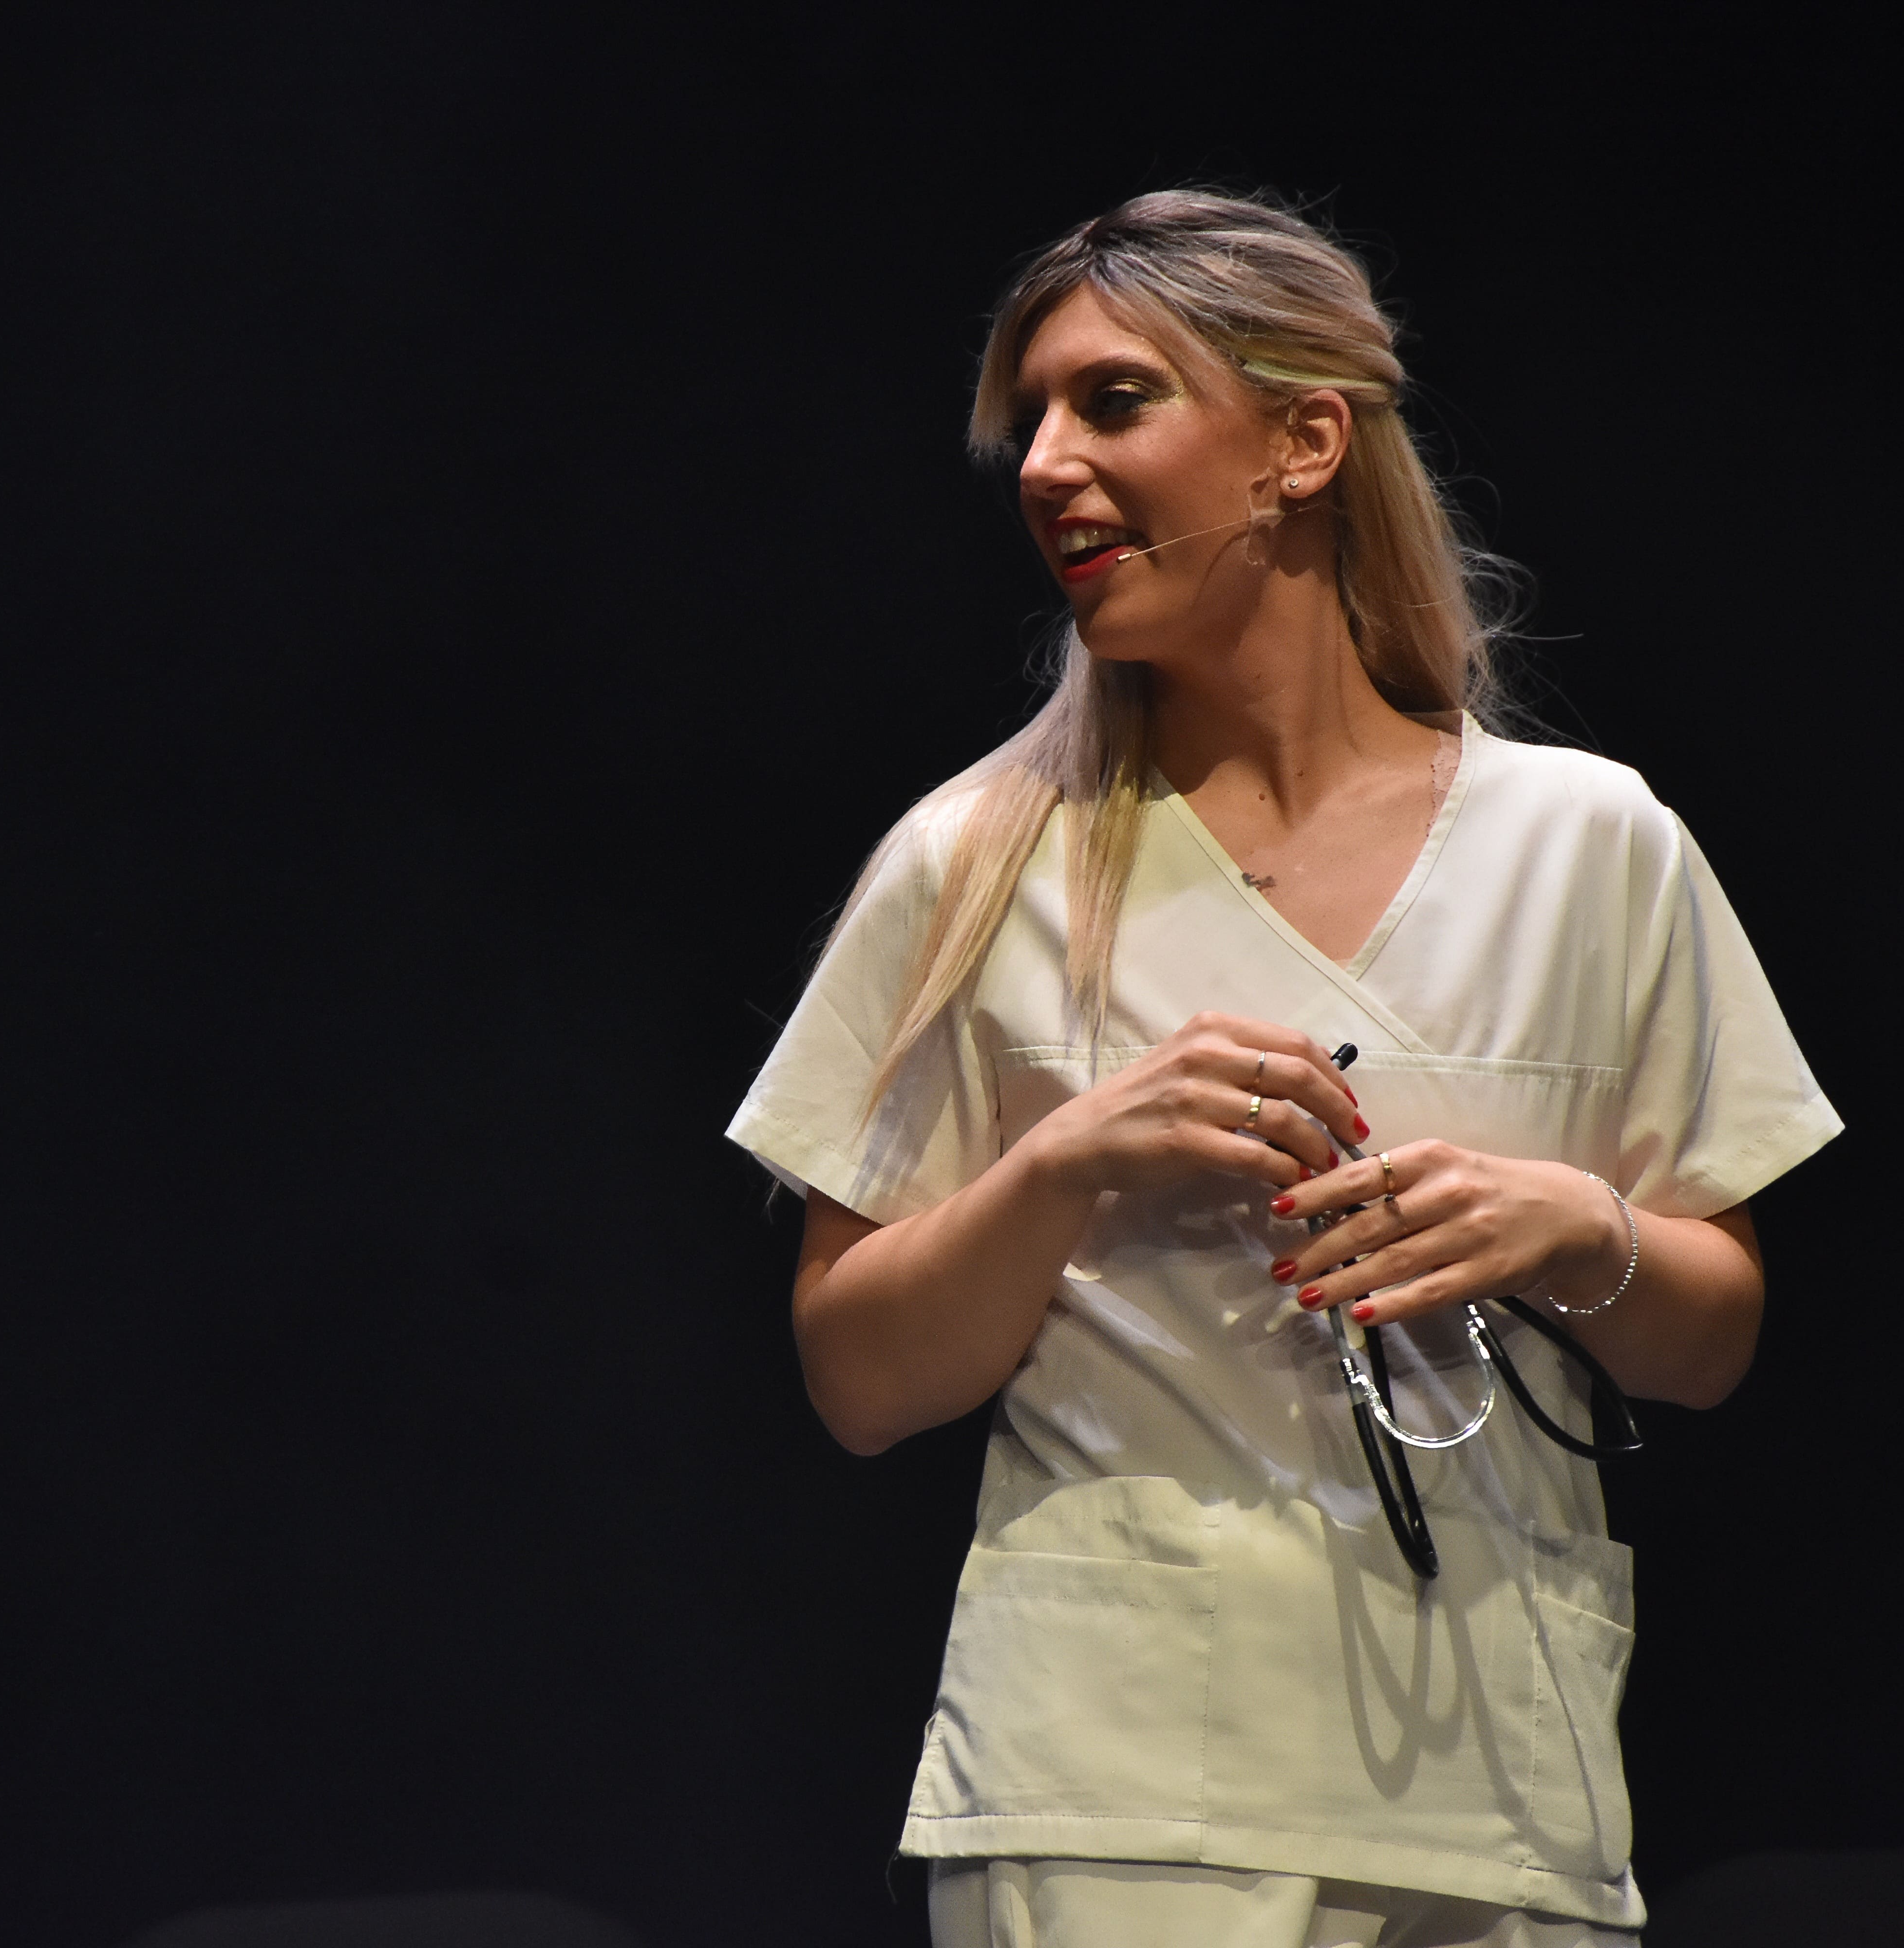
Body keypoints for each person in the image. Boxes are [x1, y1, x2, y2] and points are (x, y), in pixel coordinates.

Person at [724, 190, 1839, 1948]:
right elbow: (858, 1380)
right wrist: (1070, 1160)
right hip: (1120, 1792)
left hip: (1503, 1785)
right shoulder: (976, 863)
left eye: (1112, 401)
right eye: (1032, 422)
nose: (1043, 465)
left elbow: (1712, 1342)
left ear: (1303, 444)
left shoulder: (1590, 846)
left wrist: (1574, 1229)